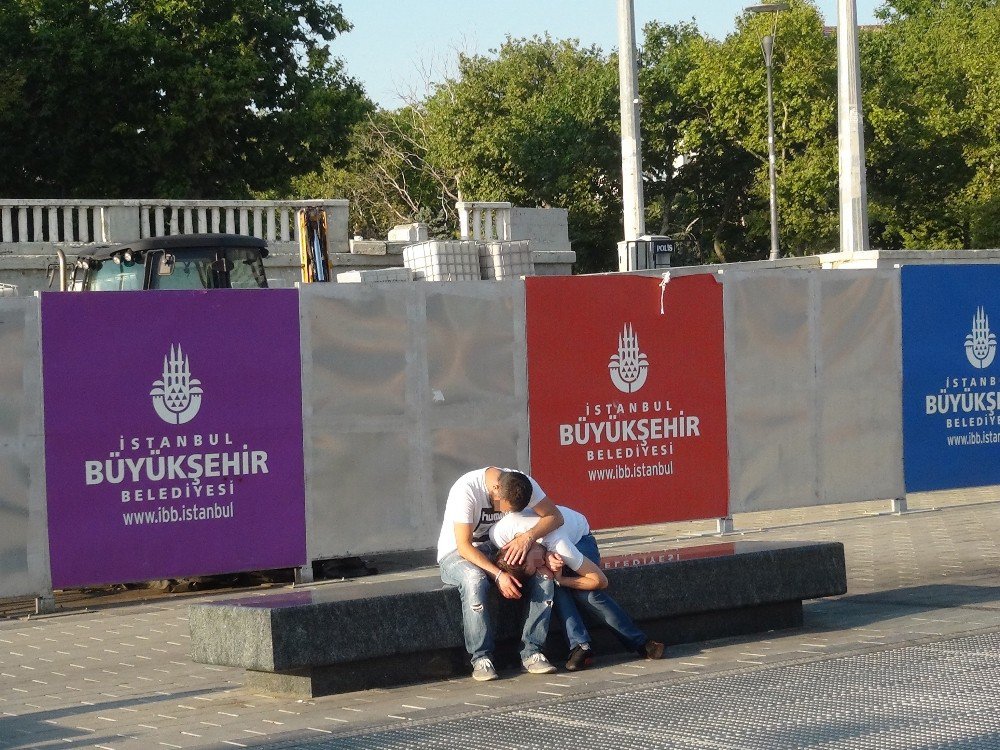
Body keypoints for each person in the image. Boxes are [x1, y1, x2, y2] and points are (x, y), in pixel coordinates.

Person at [490, 503, 665, 672]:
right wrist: (547, 559)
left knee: (586, 594)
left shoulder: (559, 543)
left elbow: (600, 581)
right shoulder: (498, 534)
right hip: (547, 542)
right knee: (552, 585)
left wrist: (562, 579)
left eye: (535, 563)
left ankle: (640, 643)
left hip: (580, 539)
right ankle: (581, 646)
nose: (540, 565)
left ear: (525, 549)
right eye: (535, 568)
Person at [437, 466, 564, 681]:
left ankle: (532, 652)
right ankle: (481, 658)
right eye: (502, 506)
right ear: (495, 488)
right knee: (474, 580)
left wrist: (529, 540)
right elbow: (464, 546)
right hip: (457, 553)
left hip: (498, 547)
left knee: (544, 573)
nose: (504, 511)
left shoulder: (520, 484)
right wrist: (498, 575)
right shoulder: (466, 490)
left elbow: (555, 516)